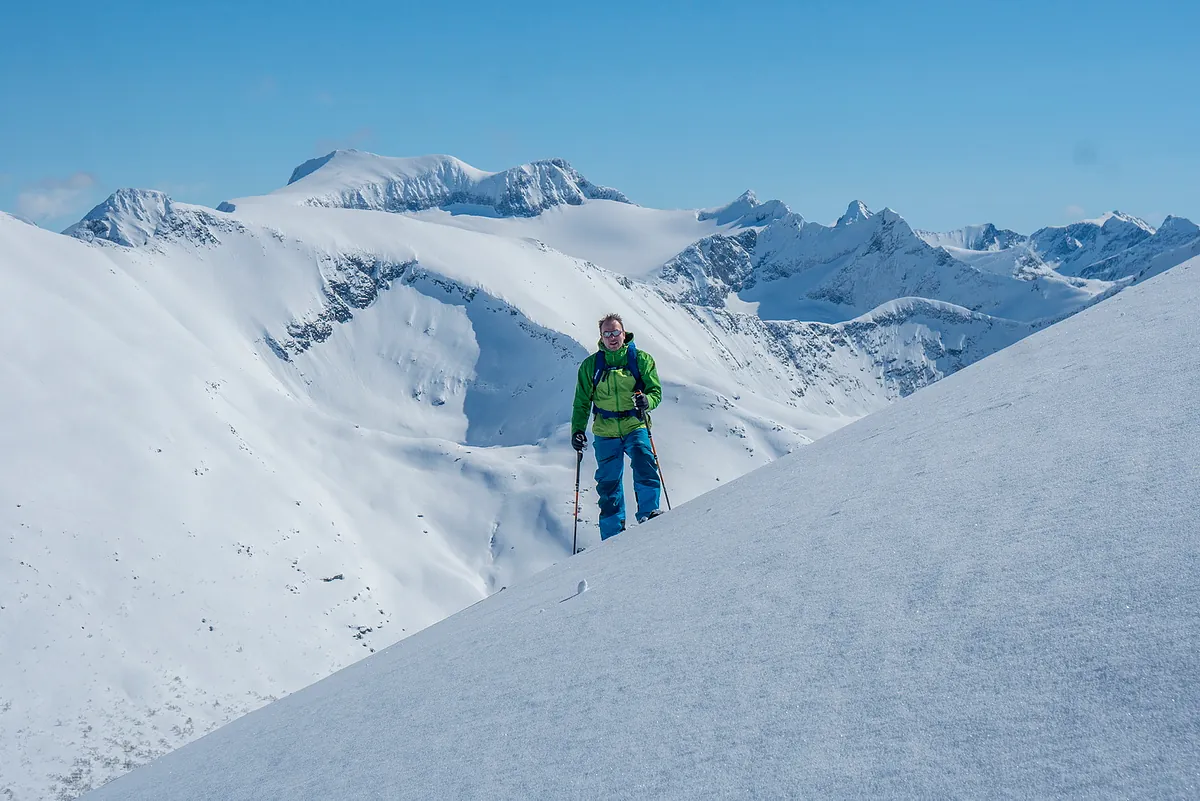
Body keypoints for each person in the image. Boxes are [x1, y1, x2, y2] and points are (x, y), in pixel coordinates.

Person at [571, 313, 663, 540]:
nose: (612, 337)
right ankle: (613, 535)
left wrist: (647, 402)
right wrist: (577, 430)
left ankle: (649, 513)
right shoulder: (590, 366)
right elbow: (582, 401)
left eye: (616, 332)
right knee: (608, 482)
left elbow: (655, 392)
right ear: (601, 337)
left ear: (624, 333)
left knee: (644, 460)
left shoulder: (641, 360)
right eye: (607, 333)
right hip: (605, 431)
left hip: (635, 424)